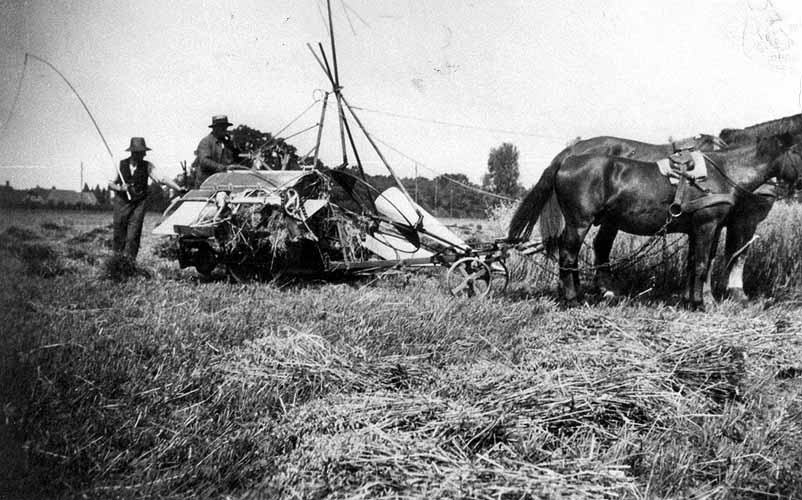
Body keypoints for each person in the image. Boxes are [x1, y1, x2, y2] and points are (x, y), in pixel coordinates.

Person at [108, 137, 184, 261]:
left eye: (144, 152)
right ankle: (116, 262)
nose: (144, 154)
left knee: (133, 235)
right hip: (121, 203)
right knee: (119, 233)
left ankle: (129, 263)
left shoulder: (147, 166)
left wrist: (178, 188)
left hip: (139, 203)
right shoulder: (120, 164)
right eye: (141, 152)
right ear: (133, 152)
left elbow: (162, 178)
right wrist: (120, 188)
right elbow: (110, 184)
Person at [195, 115, 241, 186]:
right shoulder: (206, 142)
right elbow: (204, 161)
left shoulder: (227, 143)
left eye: (225, 127)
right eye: (221, 127)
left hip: (224, 183)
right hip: (206, 184)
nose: (224, 129)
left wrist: (234, 145)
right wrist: (222, 168)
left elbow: (238, 160)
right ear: (215, 128)